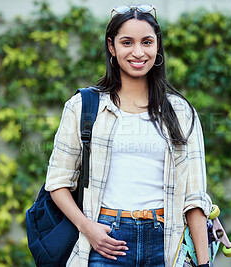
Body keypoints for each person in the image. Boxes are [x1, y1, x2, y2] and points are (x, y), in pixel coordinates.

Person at [45, 4, 212, 267]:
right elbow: (57, 182)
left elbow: (195, 198)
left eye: (147, 42)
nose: (138, 52)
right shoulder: (83, 107)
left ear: (157, 46)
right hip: (106, 242)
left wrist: (204, 264)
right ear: (112, 47)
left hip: (165, 244)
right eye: (127, 42)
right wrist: (88, 228)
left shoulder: (180, 112)